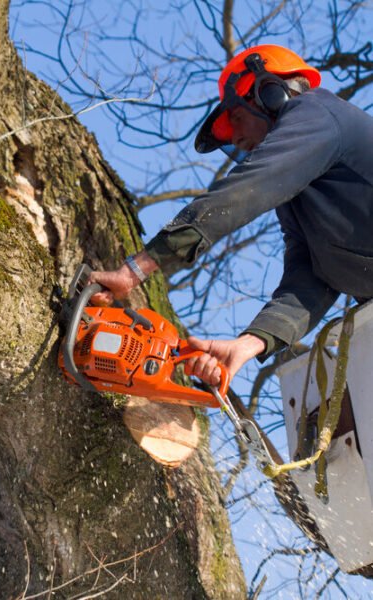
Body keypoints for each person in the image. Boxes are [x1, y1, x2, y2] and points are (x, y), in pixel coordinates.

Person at [90, 44, 373, 387]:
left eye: (236, 118)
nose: (236, 138)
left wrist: (136, 269)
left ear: (271, 94)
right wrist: (248, 343)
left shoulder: (318, 113)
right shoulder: (300, 192)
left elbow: (245, 190)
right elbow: (310, 278)